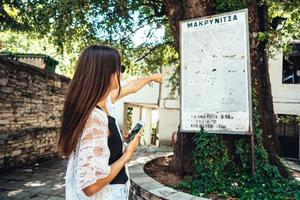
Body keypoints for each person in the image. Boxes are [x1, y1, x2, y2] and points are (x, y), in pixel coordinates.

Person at [57, 44, 163, 200]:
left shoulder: (103, 102)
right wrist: (127, 155)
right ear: (106, 73)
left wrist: (120, 142)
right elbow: (91, 186)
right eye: (120, 68)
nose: (121, 73)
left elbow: (132, 87)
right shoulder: (94, 117)